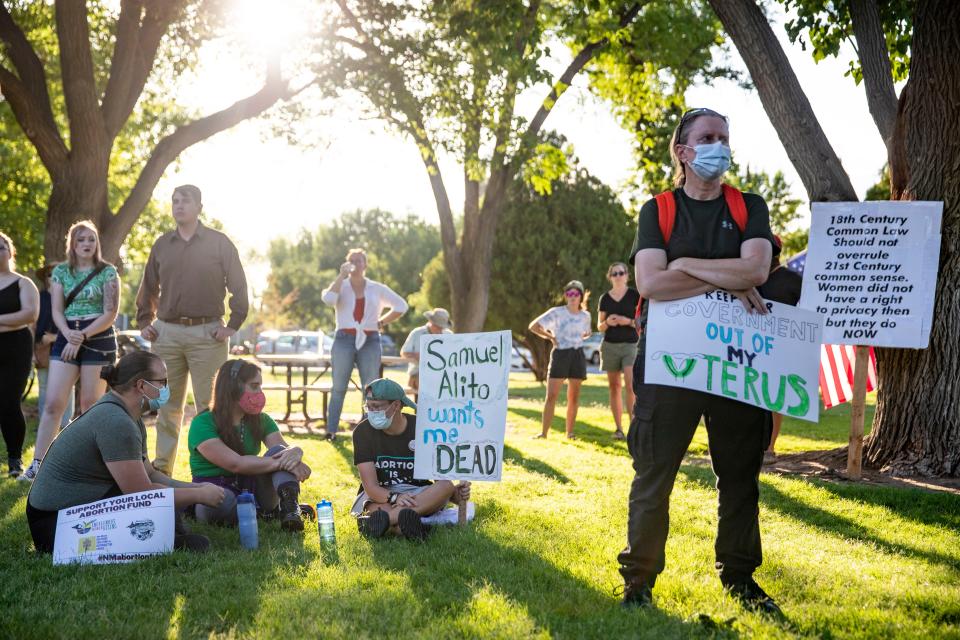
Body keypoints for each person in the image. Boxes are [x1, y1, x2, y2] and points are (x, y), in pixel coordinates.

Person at [620, 107, 781, 614]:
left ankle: (739, 578)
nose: (719, 146)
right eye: (708, 137)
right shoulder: (659, 210)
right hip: (669, 367)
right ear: (683, 151)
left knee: (740, 475)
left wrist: (685, 264)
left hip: (735, 364)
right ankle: (639, 581)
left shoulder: (748, 205)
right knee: (654, 472)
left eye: (724, 137)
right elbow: (650, 283)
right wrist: (727, 276)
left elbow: (758, 267)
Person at [25, 351, 225, 553]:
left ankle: (170, 537)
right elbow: (140, 493)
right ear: (141, 385)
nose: (166, 387)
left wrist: (196, 488)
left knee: (166, 509)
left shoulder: (128, 415)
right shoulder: (117, 422)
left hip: (64, 514)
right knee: (167, 516)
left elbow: (151, 474)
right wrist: (198, 496)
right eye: (163, 381)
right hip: (55, 526)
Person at [136, 184, 249, 475]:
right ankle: (162, 473)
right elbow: (148, 285)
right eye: (174, 201)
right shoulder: (162, 244)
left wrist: (232, 325)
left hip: (208, 335)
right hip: (167, 334)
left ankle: (212, 472)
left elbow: (239, 286)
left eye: (185, 201)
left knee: (210, 408)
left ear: (199, 206)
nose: (178, 205)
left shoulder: (219, 243)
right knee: (167, 407)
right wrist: (145, 321)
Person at [21, 221, 119, 483]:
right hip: (67, 334)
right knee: (53, 403)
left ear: (97, 243)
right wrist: (69, 335)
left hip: (98, 336)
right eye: (81, 240)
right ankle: (37, 466)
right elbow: (55, 310)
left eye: (91, 239)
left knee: (90, 406)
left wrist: (83, 335)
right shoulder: (61, 272)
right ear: (72, 244)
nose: (87, 244)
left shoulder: (108, 272)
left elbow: (111, 312)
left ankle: (92, 467)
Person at [187, 359, 312, 531]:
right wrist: (281, 462)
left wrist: (296, 451)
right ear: (233, 387)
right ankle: (267, 512)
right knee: (222, 501)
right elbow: (235, 464)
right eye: (254, 386)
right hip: (216, 493)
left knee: (279, 452)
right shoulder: (202, 423)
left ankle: (290, 509)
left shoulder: (262, 420)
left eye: (261, 386)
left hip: (254, 490)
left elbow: (282, 449)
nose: (260, 393)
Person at [351, 378, 470, 540]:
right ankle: (406, 527)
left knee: (445, 485)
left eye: (377, 407)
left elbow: (441, 483)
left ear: (396, 405)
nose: (371, 412)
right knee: (379, 509)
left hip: (418, 494)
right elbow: (371, 486)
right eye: (368, 407)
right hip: (382, 493)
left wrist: (457, 494)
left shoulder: (422, 428)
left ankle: (380, 523)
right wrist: (395, 497)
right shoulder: (362, 432)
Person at [321, 248, 408, 440]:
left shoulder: (376, 288)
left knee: (371, 387)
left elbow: (401, 306)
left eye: (359, 260)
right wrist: (341, 275)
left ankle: (368, 429)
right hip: (344, 338)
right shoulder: (341, 285)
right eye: (352, 260)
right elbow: (328, 300)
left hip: (370, 339)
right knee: (338, 386)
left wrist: (381, 322)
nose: (356, 264)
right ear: (347, 264)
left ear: (365, 264)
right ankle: (331, 430)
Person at [757, 236, 803, 463]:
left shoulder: (792, 280)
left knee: (774, 398)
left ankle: (769, 448)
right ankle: (752, 445)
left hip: (780, 349)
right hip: (747, 348)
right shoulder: (748, 277)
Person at [529, 280, 592, 440]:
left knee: (574, 397)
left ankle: (570, 433)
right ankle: (543, 433)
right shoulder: (556, 312)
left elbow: (587, 332)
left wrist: (585, 335)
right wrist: (551, 337)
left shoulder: (586, 316)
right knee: (551, 395)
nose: (572, 297)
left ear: (581, 296)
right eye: (569, 294)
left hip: (577, 355)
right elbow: (534, 326)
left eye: (576, 294)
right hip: (560, 355)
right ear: (565, 296)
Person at [0, 232, 39, 478]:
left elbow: (29, 315)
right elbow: (17, 318)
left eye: (3, 245)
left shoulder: (24, 283)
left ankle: (15, 460)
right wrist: (8, 322)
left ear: (11, 252)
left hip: (16, 349)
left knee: (8, 402)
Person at [597, 263, 641, 441]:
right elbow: (599, 327)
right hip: (610, 346)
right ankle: (619, 429)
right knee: (614, 387)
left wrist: (627, 321)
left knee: (630, 385)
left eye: (621, 273)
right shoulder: (605, 298)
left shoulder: (634, 295)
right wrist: (608, 322)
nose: (617, 276)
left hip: (631, 345)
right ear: (610, 276)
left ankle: (633, 426)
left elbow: (641, 321)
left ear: (627, 275)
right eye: (614, 273)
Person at [32, 264, 75, 430]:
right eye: (50, 274)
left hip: (65, 347)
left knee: (68, 386)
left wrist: (54, 337)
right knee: (43, 386)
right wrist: (32, 352)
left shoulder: (70, 299)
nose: (54, 277)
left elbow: (76, 328)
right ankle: (45, 422)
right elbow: (32, 325)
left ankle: (65, 423)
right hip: (41, 349)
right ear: (45, 278)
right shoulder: (38, 298)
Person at [400, 308, 453, 396]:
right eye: (438, 327)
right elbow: (404, 352)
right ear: (431, 322)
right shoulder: (417, 333)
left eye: (442, 327)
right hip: (419, 372)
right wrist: (417, 355)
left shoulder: (449, 335)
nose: (440, 330)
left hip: (443, 373)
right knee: (427, 382)